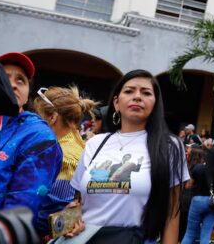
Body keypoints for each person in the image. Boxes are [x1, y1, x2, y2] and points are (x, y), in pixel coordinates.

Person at [64, 69, 190, 243]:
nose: (137, 97)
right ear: (116, 102)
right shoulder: (95, 143)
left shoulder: (169, 146)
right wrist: (72, 220)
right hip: (86, 238)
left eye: (146, 93)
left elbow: (172, 214)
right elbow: (78, 200)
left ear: (155, 104)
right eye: (129, 91)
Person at [0, 53, 63, 226]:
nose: (12, 85)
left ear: (27, 93)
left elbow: (19, 212)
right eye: (5, 77)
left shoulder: (40, 138)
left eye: (21, 80)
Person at [32, 86, 96, 236]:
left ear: (52, 117)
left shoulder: (63, 156)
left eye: (39, 117)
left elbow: (55, 210)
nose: (35, 123)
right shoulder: (78, 143)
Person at [182, 147, 214, 244]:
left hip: (197, 201)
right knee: (206, 234)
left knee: (190, 233)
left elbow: (188, 186)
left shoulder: (198, 168)